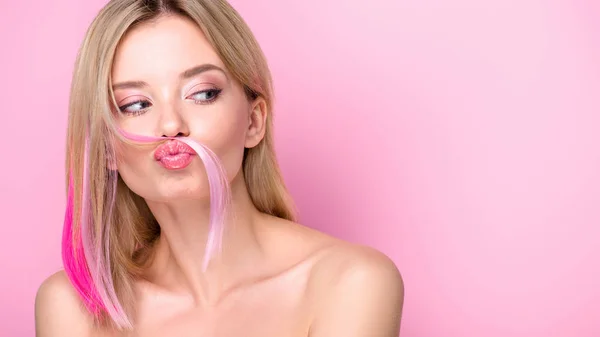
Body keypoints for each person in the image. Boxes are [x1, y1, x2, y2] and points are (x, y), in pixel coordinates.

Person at [34, 0, 404, 336]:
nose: (171, 124)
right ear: (106, 151)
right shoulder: (71, 309)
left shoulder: (350, 283)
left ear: (254, 122)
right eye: (135, 105)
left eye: (203, 93)